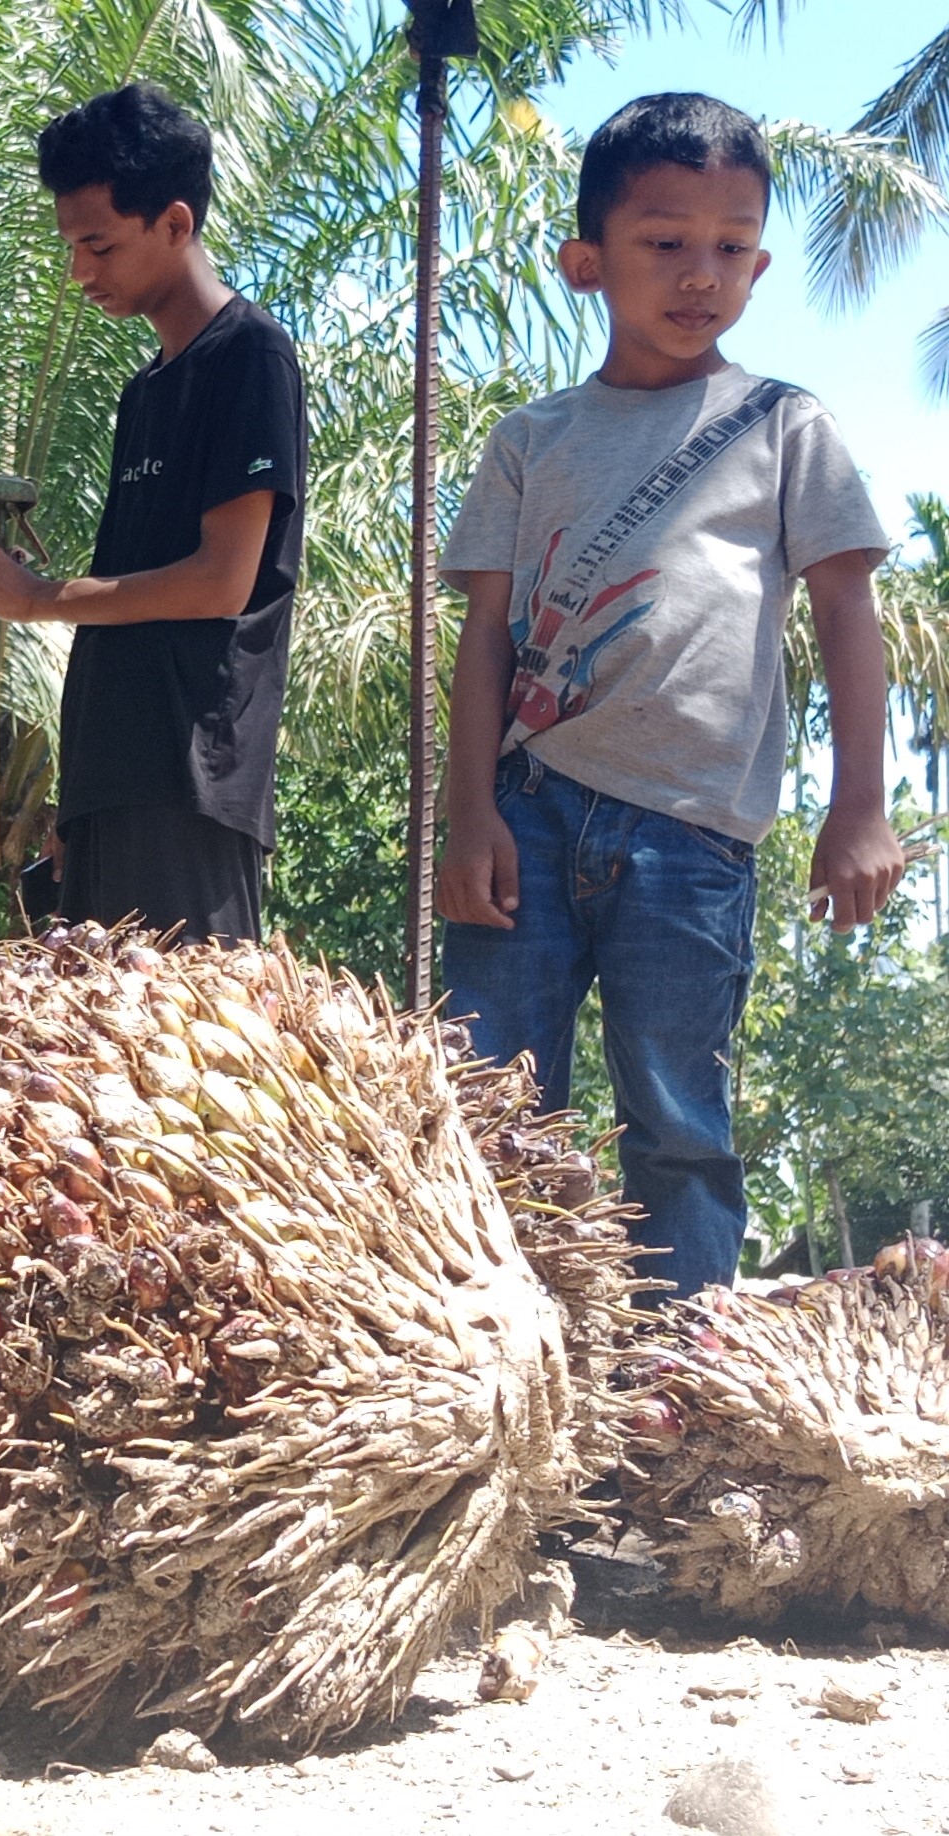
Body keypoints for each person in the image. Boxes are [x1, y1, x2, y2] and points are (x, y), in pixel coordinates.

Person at [437, 92, 902, 1300]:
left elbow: (848, 613)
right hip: (526, 818)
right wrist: (467, 814)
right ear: (586, 262)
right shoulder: (530, 440)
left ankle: (682, 1385)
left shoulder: (783, 427)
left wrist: (863, 807)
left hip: (693, 839)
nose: (703, 274)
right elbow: (485, 635)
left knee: (681, 1126)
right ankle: (495, 1355)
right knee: (490, 1108)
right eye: (664, 242)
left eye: (733, 246)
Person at [0, 81, 305, 945]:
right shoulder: (145, 391)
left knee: (188, 1065)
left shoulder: (250, 356)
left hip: (189, 785)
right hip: (113, 787)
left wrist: (37, 599)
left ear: (175, 224)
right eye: (70, 246)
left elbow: (223, 581)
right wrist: (81, 797)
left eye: (97, 244)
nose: (79, 273)